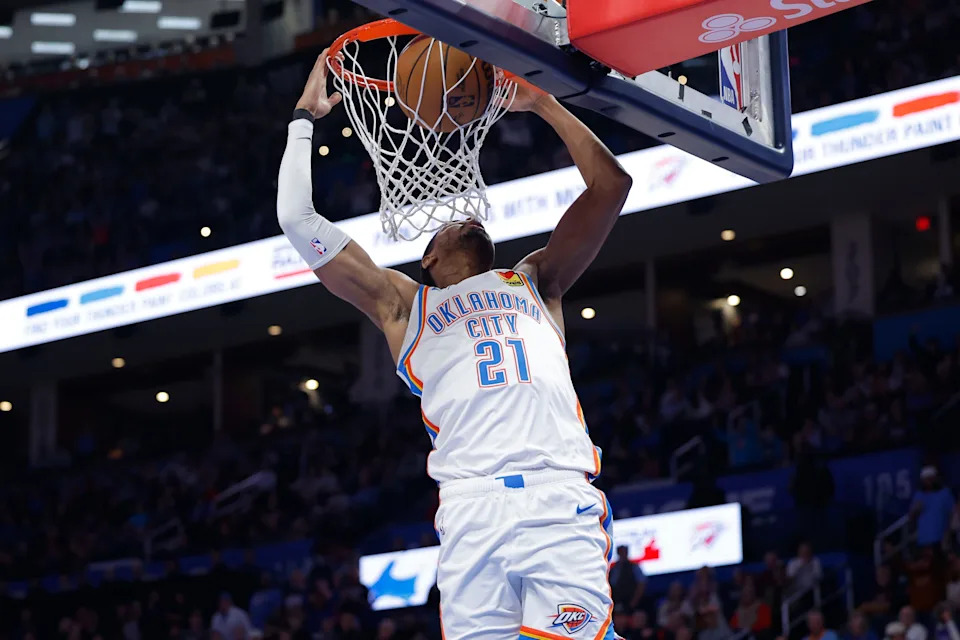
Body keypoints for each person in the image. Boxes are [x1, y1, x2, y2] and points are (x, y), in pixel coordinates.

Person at [277, 51, 632, 640]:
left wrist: (542, 102)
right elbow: (297, 218)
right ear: (428, 258)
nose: (464, 215)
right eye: (448, 224)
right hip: (469, 510)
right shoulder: (403, 305)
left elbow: (611, 185)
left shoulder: (537, 279)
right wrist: (303, 118)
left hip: (554, 496)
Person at [910, 468, 955, 550]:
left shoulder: (945, 493)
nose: (929, 482)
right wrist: (915, 509)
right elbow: (911, 516)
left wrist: (948, 535)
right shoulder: (919, 495)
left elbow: (951, 514)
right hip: (924, 539)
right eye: (926, 480)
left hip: (941, 537)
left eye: (931, 479)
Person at [610, 545, 648, 610]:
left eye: (625, 552)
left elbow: (641, 584)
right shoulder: (614, 569)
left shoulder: (634, 567)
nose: (623, 554)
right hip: (617, 602)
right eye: (621, 552)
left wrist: (634, 601)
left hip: (631, 601)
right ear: (618, 553)